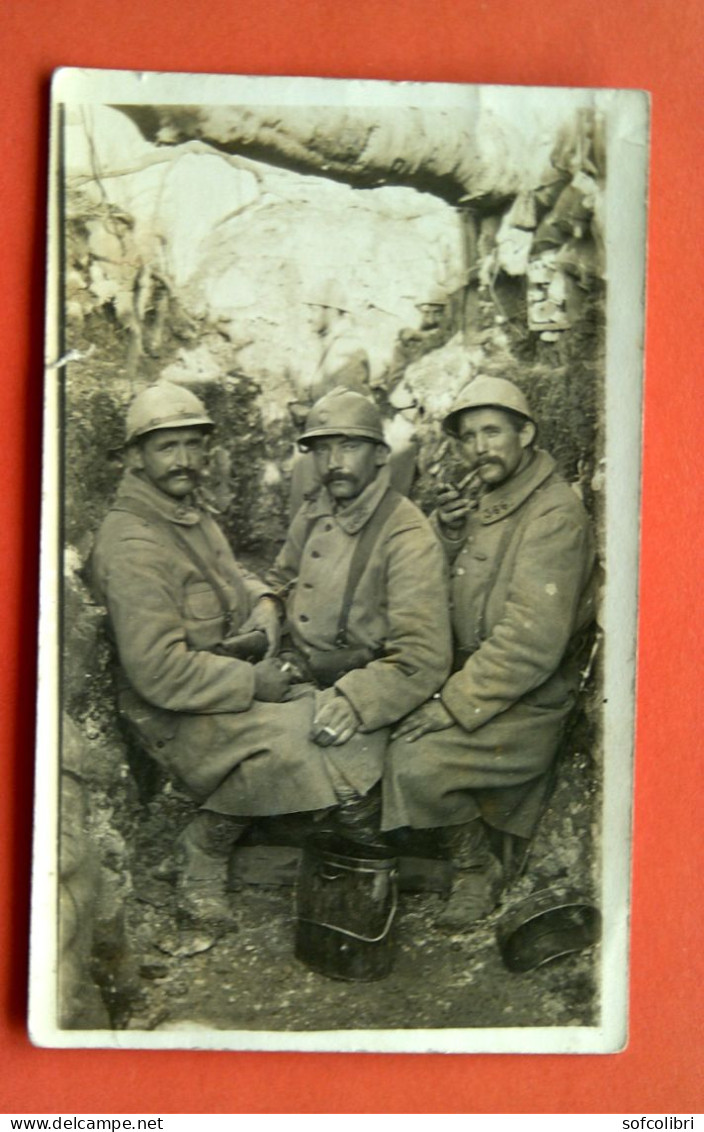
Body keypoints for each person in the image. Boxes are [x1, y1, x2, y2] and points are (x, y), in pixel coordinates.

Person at [92, 381, 450, 927]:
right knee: (308, 738)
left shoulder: (184, 514)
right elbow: (158, 673)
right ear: (135, 458)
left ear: (380, 455)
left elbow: (234, 574)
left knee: (335, 729)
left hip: (218, 682)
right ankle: (203, 852)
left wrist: (261, 599)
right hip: (175, 706)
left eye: (193, 444)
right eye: (167, 447)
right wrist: (255, 683)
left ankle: (286, 822)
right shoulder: (134, 542)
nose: (185, 460)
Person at [382, 376, 597, 928]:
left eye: (493, 431)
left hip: (525, 699)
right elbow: (456, 597)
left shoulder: (553, 516)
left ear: (525, 433)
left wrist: (448, 706)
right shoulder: (492, 499)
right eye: (469, 436)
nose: (480, 447)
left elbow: (530, 643)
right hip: (481, 683)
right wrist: (449, 538)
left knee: (412, 760)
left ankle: (476, 868)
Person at [267, 385, 453, 834]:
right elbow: (282, 577)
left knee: (293, 748)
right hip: (302, 673)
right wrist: (267, 605)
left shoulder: (405, 533)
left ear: (380, 456)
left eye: (349, 447)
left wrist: (357, 701)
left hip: (369, 689)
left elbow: (422, 658)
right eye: (323, 449)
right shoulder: (314, 512)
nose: (334, 463)